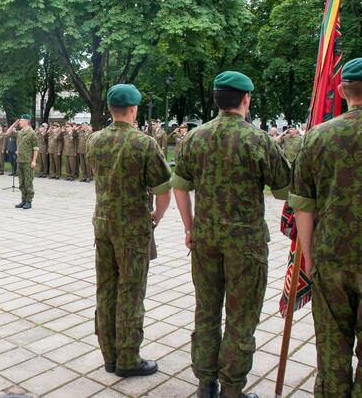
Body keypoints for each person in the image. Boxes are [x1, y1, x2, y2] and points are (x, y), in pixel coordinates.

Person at [172, 71, 290, 398]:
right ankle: (232, 389)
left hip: (205, 240)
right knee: (241, 317)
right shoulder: (259, 140)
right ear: (246, 99)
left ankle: (205, 384)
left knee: (206, 311)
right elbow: (283, 192)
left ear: (216, 100)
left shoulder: (195, 138)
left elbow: (180, 187)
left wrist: (189, 227)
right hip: (247, 244)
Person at [87, 83, 171, 379]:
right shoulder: (144, 143)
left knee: (106, 289)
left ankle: (108, 355)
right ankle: (128, 359)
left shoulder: (94, 140)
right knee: (131, 292)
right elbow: (163, 190)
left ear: (111, 109)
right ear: (133, 109)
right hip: (133, 228)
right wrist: (156, 218)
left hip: (103, 224)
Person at [288, 58, 362, 397]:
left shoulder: (317, 137)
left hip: (330, 257)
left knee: (332, 348)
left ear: (341, 90)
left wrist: (308, 258)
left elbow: (302, 204)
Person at [6, 114, 39, 209]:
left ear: (26, 121)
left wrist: (34, 161)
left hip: (28, 161)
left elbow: (36, 148)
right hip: (19, 160)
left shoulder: (32, 133)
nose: (20, 122)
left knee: (28, 182)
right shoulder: (19, 133)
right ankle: (23, 200)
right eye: (19, 120)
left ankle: (29, 201)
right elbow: (7, 133)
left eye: (21, 120)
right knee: (21, 182)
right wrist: (14, 124)